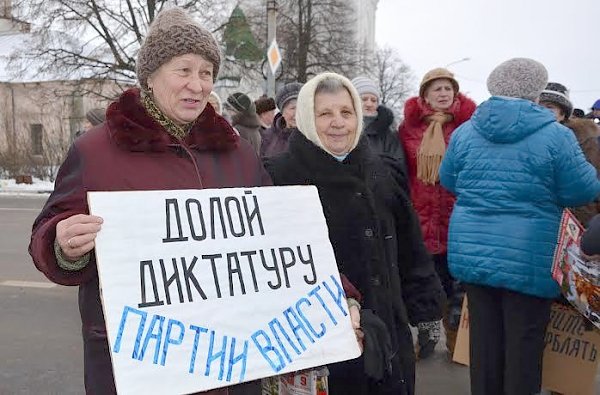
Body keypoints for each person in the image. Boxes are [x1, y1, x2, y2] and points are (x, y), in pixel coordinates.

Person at [28, 7, 270, 395]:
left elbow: (279, 235)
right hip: (138, 363)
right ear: (151, 77)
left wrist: (339, 295)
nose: (197, 84)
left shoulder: (237, 152)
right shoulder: (96, 151)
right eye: (184, 70)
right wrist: (63, 246)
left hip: (230, 359)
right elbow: (50, 232)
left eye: (206, 72)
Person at [265, 72, 444, 395]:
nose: (338, 123)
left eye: (346, 112)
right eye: (325, 113)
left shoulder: (383, 171)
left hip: (388, 326)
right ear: (306, 116)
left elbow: (409, 246)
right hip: (318, 338)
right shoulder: (278, 176)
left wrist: (424, 305)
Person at [439, 57, 600, 395]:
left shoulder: (466, 132)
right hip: (530, 256)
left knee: (483, 344)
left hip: (475, 253)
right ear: (535, 92)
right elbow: (584, 189)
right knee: (523, 349)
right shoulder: (556, 137)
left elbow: (449, 179)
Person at [398, 67, 476, 358]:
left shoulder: (470, 126)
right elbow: (402, 171)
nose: (443, 94)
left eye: (448, 89)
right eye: (437, 89)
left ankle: (458, 343)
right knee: (426, 283)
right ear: (425, 95)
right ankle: (428, 336)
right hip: (421, 215)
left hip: (457, 215)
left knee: (458, 285)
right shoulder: (408, 129)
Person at [540, 82, 600, 226]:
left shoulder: (583, 140)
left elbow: (590, 182)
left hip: (572, 216)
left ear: (563, 114)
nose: (543, 112)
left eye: (550, 108)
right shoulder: (528, 137)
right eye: (539, 106)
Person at [351, 76, 408, 179]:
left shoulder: (389, 135)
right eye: (364, 99)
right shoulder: (342, 129)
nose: (369, 104)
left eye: (374, 100)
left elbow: (398, 167)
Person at [260, 82, 302, 158]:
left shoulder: (315, 137)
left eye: (301, 107)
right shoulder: (267, 137)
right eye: (292, 108)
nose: (297, 113)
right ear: (282, 112)